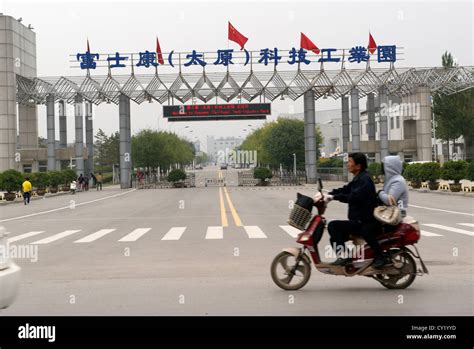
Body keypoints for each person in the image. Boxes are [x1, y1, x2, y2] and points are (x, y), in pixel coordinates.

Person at [324, 152, 386, 268]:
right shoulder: (358, 178)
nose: (347, 164)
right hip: (358, 219)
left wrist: (334, 197)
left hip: (364, 221)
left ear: (358, 166)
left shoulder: (365, 180)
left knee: (333, 226)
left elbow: (353, 197)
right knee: (335, 236)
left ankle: (379, 257)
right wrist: (330, 193)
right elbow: (346, 189)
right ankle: (348, 257)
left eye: (350, 162)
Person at [377, 155, 409, 227]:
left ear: (390, 167)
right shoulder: (391, 179)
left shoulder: (398, 181)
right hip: (390, 213)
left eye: (384, 166)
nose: (382, 168)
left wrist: (380, 193)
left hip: (397, 215)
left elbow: (389, 200)